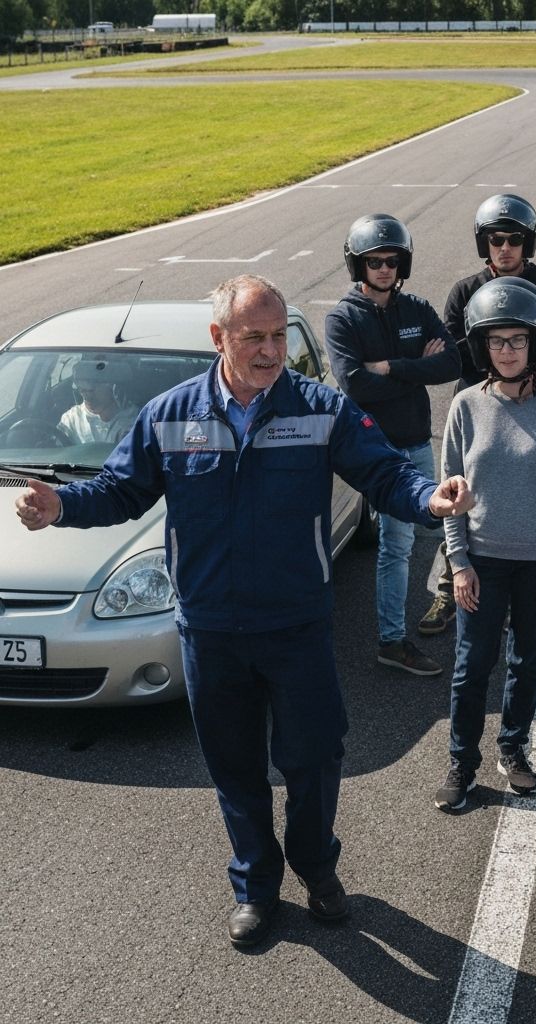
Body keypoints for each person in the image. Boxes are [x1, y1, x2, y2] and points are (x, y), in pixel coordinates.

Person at [14, 275, 473, 950]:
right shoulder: (169, 416)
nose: (269, 351)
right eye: (252, 337)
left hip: (297, 629)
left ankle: (316, 868)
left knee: (316, 758)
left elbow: (383, 473)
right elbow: (119, 491)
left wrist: (430, 497)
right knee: (234, 770)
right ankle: (256, 888)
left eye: (278, 335)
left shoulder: (321, 409)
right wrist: (62, 507)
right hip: (211, 633)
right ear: (218, 338)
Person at [434, 277, 536, 812]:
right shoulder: (464, 408)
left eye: (517, 341)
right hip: (481, 561)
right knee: (471, 666)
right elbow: (449, 491)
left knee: (527, 662)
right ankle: (462, 762)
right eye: (496, 341)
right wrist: (458, 563)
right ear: (481, 346)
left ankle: (514, 749)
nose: (506, 351)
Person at [418, 194, 536, 639]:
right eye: (495, 239)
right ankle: (450, 586)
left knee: (523, 498)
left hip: (533, 403)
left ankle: (513, 592)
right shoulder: (464, 291)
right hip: (474, 404)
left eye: (514, 239)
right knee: (460, 496)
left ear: (528, 243)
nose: (504, 247)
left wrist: (484, 352)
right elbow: (449, 358)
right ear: (483, 243)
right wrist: (492, 363)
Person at [325, 213, 462, 677]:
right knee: (397, 543)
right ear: (357, 266)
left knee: (438, 525)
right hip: (374, 450)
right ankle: (391, 640)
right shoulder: (343, 318)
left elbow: (451, 363)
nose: (384, 268)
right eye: (374, 261)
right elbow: (355, 385)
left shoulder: (417, 309)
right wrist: (410, 367)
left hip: (417, 441)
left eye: (391, 260)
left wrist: (393, 367)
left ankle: (450, 602)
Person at [59, 358, 138, 443]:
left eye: (91, 390)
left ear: (112, 387)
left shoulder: (135, 418)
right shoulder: (71, 419)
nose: (86, 396)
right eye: (81, 389)